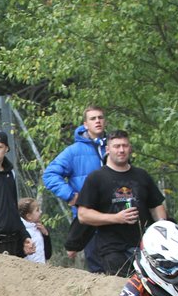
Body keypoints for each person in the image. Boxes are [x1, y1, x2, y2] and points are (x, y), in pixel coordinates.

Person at [76, 130, 166, 276]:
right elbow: (83, 215)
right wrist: (116, 218)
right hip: (112, 249)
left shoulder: (142, 175)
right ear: (108, 149)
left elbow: (156, 205)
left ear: (130, 148)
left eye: (124, 146)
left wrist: (162, 227)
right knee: (123, 286)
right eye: (117, 146)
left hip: (145, 246)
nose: (121, 150)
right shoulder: (96, 178)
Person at [42, 106, 108, 272]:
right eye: (93, 118)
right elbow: (49, 175)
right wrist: (71, 195)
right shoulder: (74, 151)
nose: (97, 121)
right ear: (85, 124)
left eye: (100, 117)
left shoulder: (114, 147)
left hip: (116, 217)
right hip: (90, 220)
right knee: (98, 271)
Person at [19, 197, 52, 264]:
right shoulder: (21, 232)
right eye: (37, 210)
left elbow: (48, 254)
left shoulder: (39, 229)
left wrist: (46, 235)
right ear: (29, 216)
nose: (41, 212)